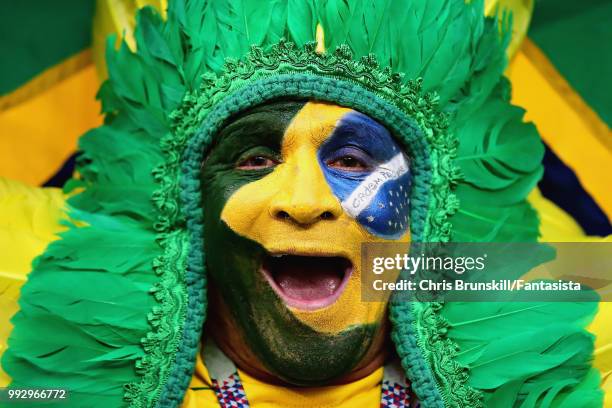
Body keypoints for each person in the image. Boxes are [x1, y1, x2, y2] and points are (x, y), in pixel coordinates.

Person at [0, 1, 609, 407]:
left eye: (352, 162)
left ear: (428, 206)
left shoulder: (504, 298)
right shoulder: (51, 370)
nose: (303, 201)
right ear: (188, 211)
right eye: (255, 160)